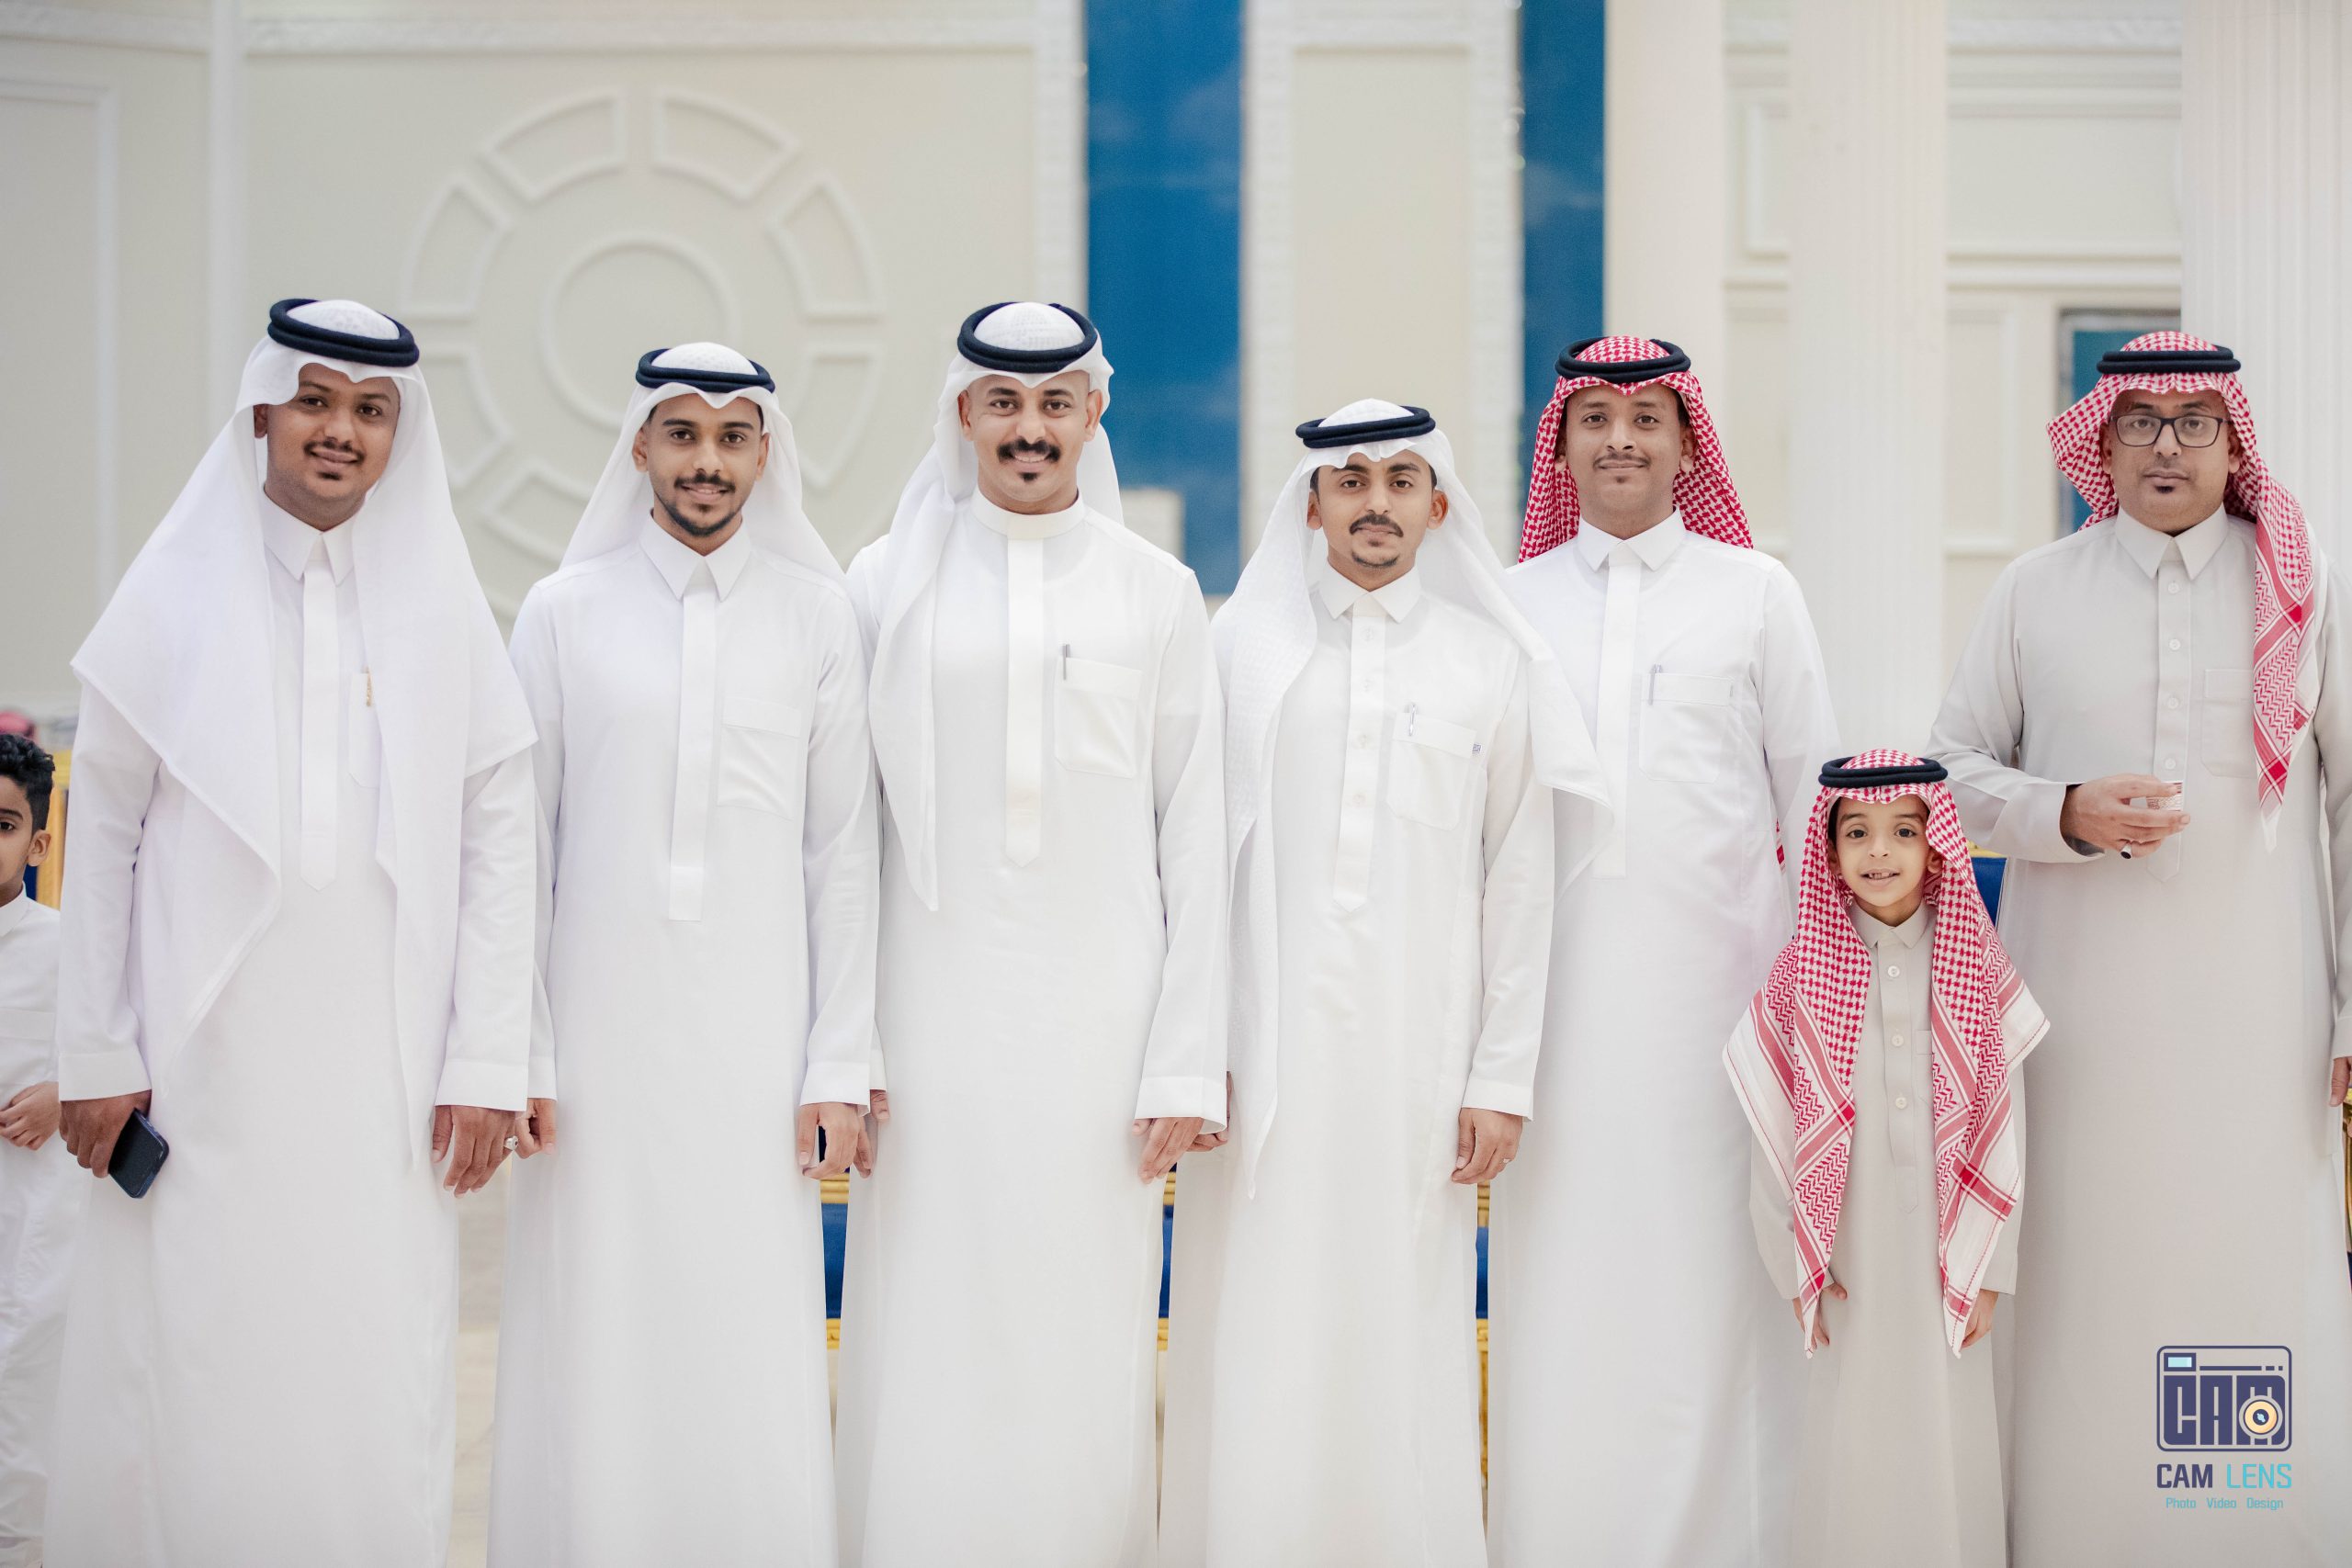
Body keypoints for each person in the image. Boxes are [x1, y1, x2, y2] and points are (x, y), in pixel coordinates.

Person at [48, 299, 537, 1564]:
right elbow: (99, 829)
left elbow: (499, 844)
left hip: (386, 1071)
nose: (339, 431)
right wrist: (96, 1046)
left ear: (397, 435)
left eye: (369, 411)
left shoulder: (439, 608)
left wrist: (487, 1058)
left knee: (372, 1349)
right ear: (263, 409)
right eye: (315, 401)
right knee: (197, 1352)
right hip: (201, 1057)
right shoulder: (174, 593)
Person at [1928, 332, 2352, 1565]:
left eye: (2194, 421)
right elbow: (1947, 772)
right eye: (2141, 422)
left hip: (2262, 1015)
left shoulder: (2302, 588)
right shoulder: (2034, 588)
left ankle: (2256, 1532)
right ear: (2100, 442)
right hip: (2078, 1024)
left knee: (2247, 1261)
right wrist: (2060, 811)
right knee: (2085, 1273)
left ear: (2233, 442)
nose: (2168, 445)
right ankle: (2083, 1532)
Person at [1160, 400, 1606, 1566]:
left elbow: (1521, 880)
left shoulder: (1490, 664)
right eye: (1349, 481)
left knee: (1400, 1318)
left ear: (1438, 505)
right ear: (1309, 506)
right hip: (1259, 1058)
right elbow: (1191, 864)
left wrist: (1499, 1077)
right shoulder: (1241, 653)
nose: (1374, 503)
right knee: (1259, 1312)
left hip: (1421, 1056)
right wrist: (1193, 1050)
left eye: (1400, 481)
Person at [833, 302, 1227, 1568]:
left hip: (1101, 1034)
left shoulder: (1157, 593)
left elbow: (1195, 839)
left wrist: (1185, 1060)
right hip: (925, 1024)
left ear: (1092, 413)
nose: (1029, 428)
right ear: (963, 412)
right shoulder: (880, 582)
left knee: (1082, 1319)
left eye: (1055, 403)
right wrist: (846, 1042)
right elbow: (845, 836)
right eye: (1003, 403)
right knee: (928, 1317)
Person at [487, 344, 877, 1566]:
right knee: (593, 1316)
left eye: (733, 436)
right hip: (592, 1052)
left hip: (758, 1048)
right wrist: (521, 1049)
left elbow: (842, 854)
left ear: (766, 455)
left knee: (742, 1317)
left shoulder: (818, 617)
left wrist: (838, 1060)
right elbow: (520, 848)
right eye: (683, 433)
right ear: (640, 448)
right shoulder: (562, 613)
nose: (708, 460)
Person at [1489, 334, 1838, 1566]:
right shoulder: (1510, 602)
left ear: (1689, 442)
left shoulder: (1756, 592)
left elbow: (1814, 802)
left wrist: (1817, 1006)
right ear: (1560, 445)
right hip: (1555, 1014)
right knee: (1564, 1281)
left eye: (1647, 418)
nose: (1621, 440)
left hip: (1725, 1012)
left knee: (1709, 1281)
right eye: (1595, 418)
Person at [1727, 750, 2043, 1568]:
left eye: (1904, 831)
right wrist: (1797, 1264)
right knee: (1855, 1436)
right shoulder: (1802, 974)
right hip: (1849, 1258)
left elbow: (2005, 1121)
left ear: (1936, 844)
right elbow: (1771, 1129)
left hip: (1953, 1252)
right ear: (1828, 851)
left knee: (1951, 1428)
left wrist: (1992, 1265)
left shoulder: (1973, 962)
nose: (1879, 851)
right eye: (1857, 832)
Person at [0, 735, 79, 1568]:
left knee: (28, 1391)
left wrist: (66, 1092)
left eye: (3, 823)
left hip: (37, 1221)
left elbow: (130, 1056)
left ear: (38, 842)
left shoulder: (68, 948)